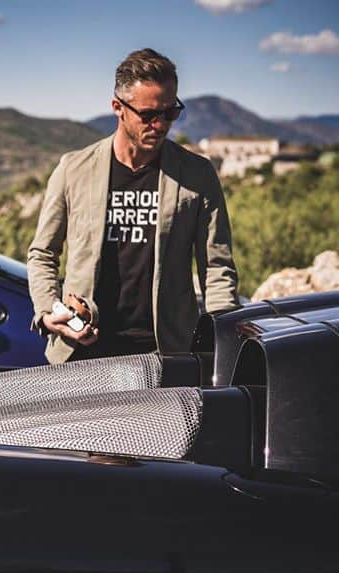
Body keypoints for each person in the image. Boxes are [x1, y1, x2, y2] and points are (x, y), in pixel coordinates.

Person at [27, 48, 238, 363]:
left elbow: (217, 267)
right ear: (118, 107)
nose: (160, 125)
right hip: (81, 352)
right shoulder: (73, 169)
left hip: (165, 353)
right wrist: (47, 312)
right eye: (149, 115)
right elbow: (42, 254)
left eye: (170, 112)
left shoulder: (197, 174)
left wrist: (225, 343)